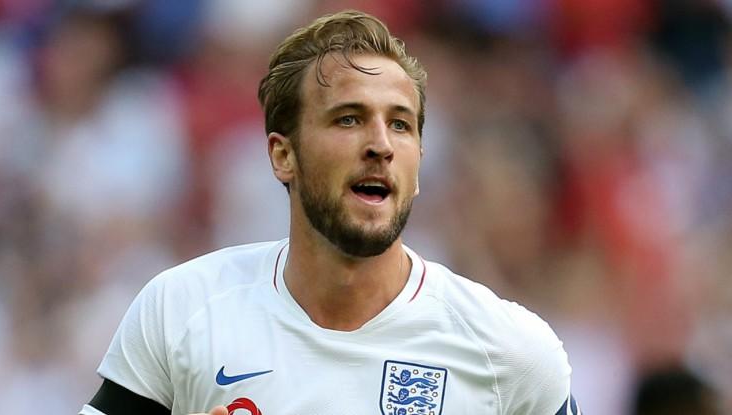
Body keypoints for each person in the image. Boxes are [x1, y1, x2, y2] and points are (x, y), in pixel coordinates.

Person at [80, 10, 581, 415]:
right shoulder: (182, 309)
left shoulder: (508, 352)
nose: (381, 144)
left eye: (401, 125)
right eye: (349, 119)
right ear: (283, 155)